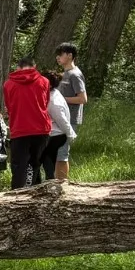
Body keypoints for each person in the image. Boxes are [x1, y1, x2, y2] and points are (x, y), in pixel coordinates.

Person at [2, 57, 51, 190]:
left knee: (19, 166)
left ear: (18, 68)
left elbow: (9, 107)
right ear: (34, 66)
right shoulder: (44, 81)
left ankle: (17, 194)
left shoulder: (8, 84)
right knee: (34, 163)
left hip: (19, 128)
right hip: (41, 128)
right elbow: (45, 103)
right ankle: (33, 192)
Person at [54, 42, 87, 181]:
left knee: (62, 153)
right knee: (56, 153)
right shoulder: (64, 74)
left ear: (70, 55)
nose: (57, 57)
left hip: (70, 119)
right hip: (60, 118)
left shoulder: (75, 75)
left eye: (60, 54)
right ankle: (55, 182)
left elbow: (83, 99)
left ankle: (62, 184)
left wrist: (61, 99)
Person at [39, 71, 75, 184]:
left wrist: (70, 134)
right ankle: (49, 182)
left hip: (56, 135)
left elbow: (62, 120)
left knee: (49, 159)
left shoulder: (53, 100)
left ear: (48, 84)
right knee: (46, 159)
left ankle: (53, 183)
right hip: (52, 134)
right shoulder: (51, 94)